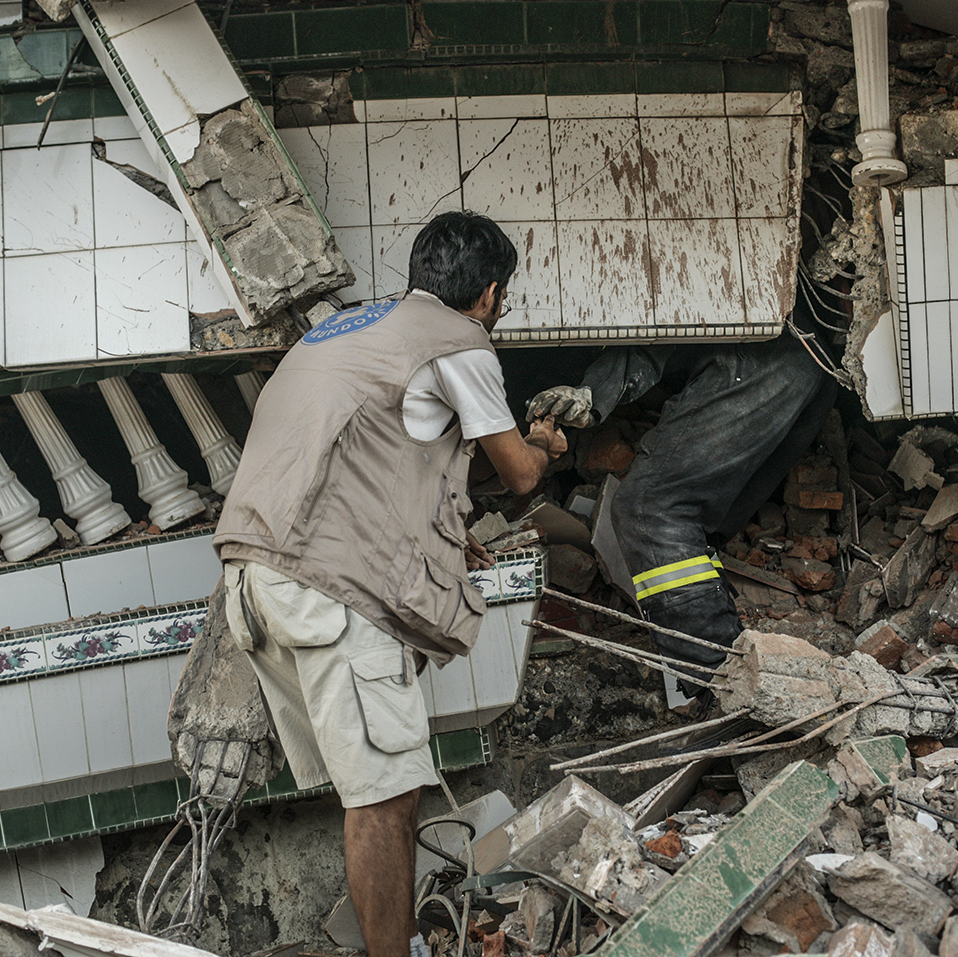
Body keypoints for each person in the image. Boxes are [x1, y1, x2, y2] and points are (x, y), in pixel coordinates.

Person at [213, 211, 566, 957]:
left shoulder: (347, 328)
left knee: (385, 790)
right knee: (383, 798)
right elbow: (519, 474)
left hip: (253, 578)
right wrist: (543, 439)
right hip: (325, 586)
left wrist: (440, 529)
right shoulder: (459, 341)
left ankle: (398, 943)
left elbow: (360, 453)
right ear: (491, 291)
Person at [526, 324, 837, 695]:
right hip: (799, 357)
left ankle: (719, 682)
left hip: (762, 358)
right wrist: (591, 395)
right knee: (692, 530)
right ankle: (726, 655)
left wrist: (591, 394)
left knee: (649, 509)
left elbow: (652, 326)